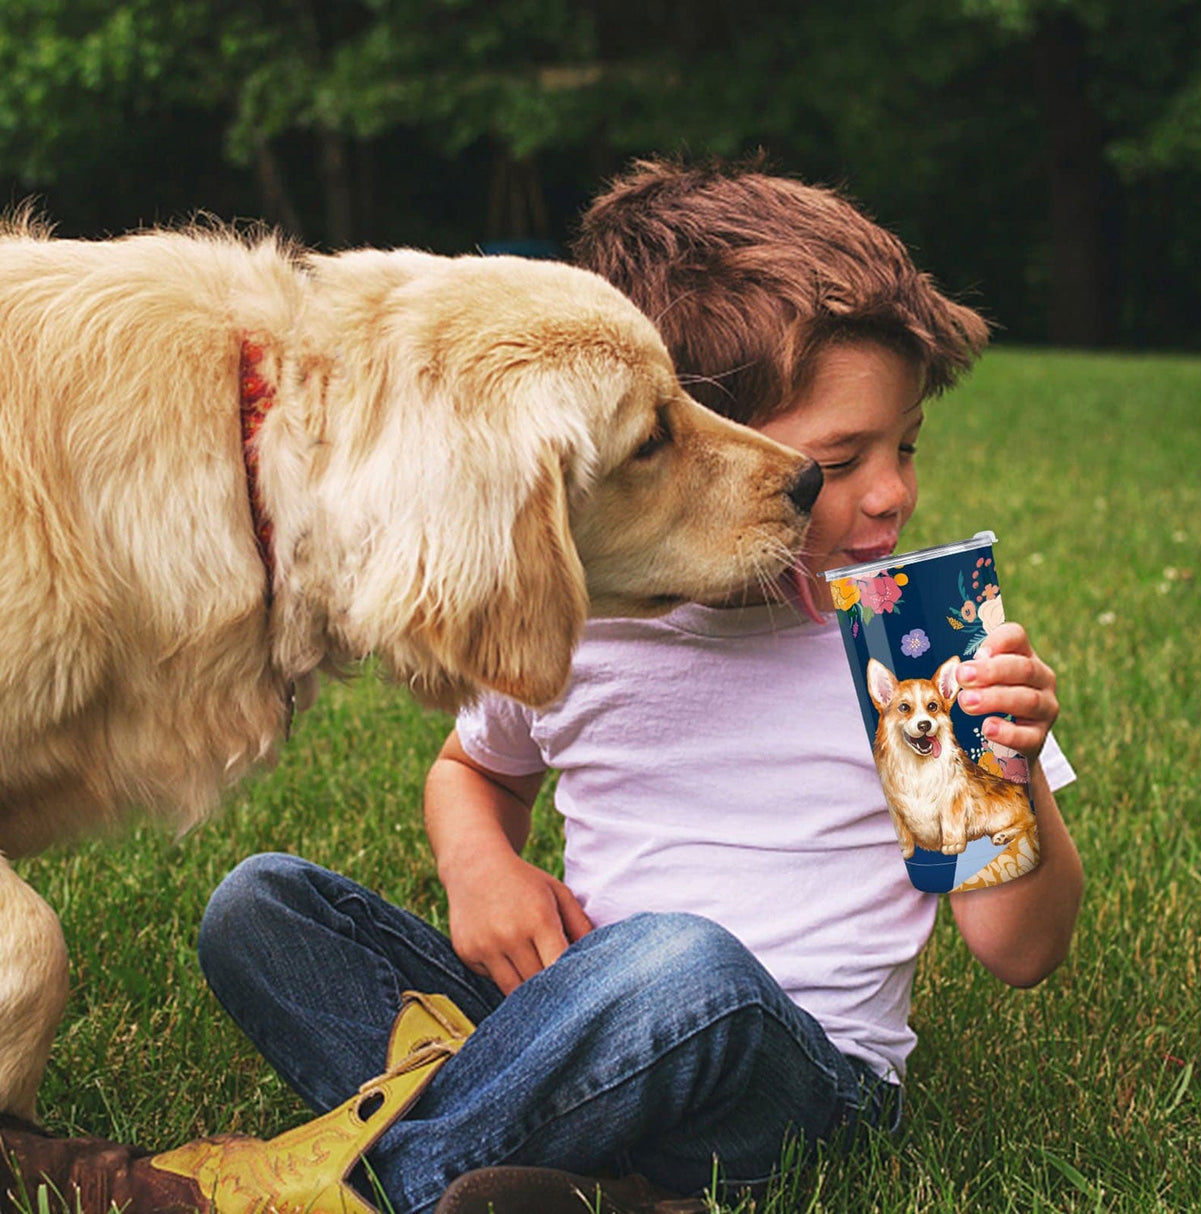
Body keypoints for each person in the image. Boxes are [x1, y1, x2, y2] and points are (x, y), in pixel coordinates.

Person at [0, 160, 1083, 1214]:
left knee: (682, 961)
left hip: (790, 1075)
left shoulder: (913, 650)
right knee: (261, 904)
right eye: (839, 460)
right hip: (565, 1026)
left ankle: (365, 1179)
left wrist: (1008, 769)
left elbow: (1017, 948)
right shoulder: (581, 608)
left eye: (905, 445)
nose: (889, 491)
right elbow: (472, 766)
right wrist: (482, 872)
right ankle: (570, 1175)